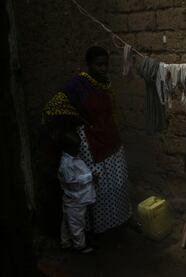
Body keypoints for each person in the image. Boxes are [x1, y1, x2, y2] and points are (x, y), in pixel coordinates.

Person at [43, 46, 131, 234]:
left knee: (117, 185)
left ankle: (119, 221)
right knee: (97, 189)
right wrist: (78, 121)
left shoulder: (105, 83)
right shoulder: (78, 85)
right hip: (91, 144)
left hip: (111, 140)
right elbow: (53, 107)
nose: (103, 68)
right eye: (98, 64)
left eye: (105, 65)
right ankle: (98, 229)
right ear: (89, 65)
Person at [58, 130, 96, 253]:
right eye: (75, 147)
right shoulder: (66, 165)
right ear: (68, 148)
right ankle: (80, 246)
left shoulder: (73, 158)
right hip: (76, 200)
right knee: (76, 224)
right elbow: (72, 182)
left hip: (75, 199)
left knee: (68, 222)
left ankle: (65, 242)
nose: (78, 149)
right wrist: (90, 177)